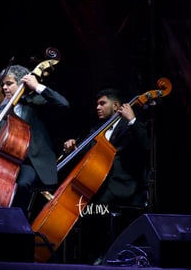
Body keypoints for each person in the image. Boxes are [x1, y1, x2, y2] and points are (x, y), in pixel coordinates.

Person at [0, 64, 70, 216]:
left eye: (9, 84)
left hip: (31, 164)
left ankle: (16, 222)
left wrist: (36, 86)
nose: (5, 88)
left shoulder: (38, 104)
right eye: (3, 85)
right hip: (2, 165)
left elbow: (64, 104)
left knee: (20, 184)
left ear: (23, 82)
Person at [62, 88, 149, 264]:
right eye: (97, 104)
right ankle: (84, 255)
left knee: (94, 208)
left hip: (121, 184)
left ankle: (102, 254)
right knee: (77, 206)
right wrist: (73, 148)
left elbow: (146, 145)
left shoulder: (130, 126)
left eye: (102, 103)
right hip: (99, 183)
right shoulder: (97, 129)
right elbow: (88, 156)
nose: (98, 107)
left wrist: (132, 119)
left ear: (116, 105)